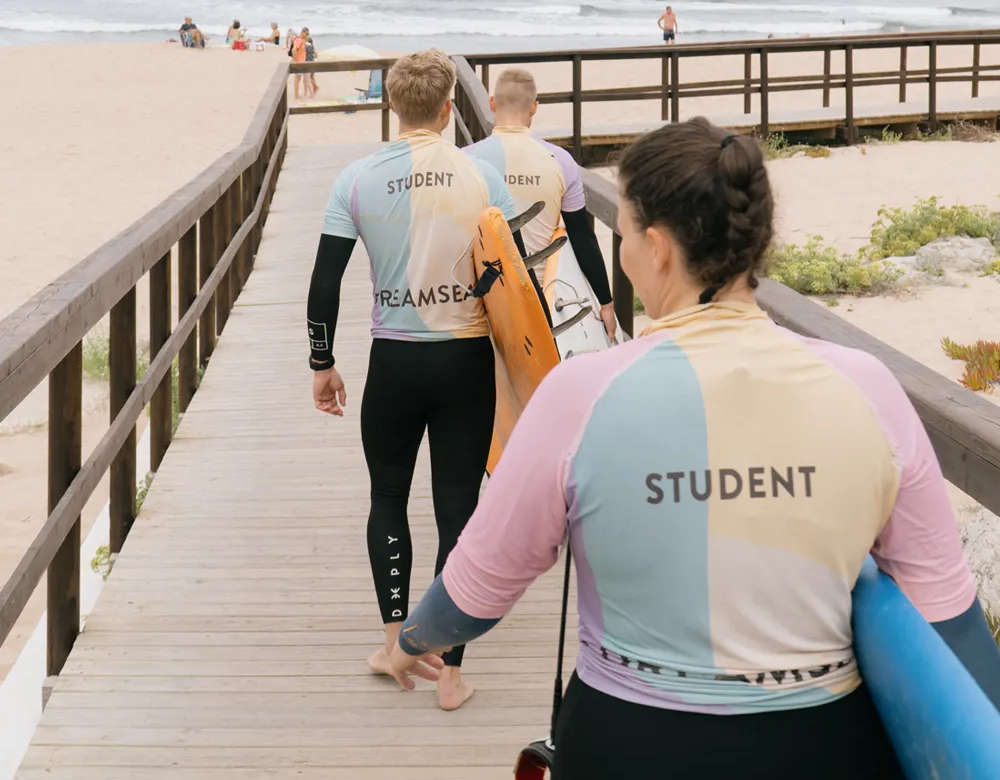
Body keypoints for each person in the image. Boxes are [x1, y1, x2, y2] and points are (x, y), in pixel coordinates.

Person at [384, 116, 1000, 773]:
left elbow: (477, 592)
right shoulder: (868, 388)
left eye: (622, 234)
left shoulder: (581, 394)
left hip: (630, 742)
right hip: (825, 744)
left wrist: (413, 639)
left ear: (658, 249)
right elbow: (951, 618)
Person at [307, 48, 536, 713]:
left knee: (387, 497)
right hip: (465, 361)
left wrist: (322, 363)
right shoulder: (481, 175)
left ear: (391, 105)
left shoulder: (355, 178)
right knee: (459, 506)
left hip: (394, 364)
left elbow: (324, 284)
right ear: (445, 109)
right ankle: (451, 668)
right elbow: (514, 279)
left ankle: (392, 643)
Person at [466, 68, 615, 340]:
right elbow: (582, 237)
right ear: (534, 108)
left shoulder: (466, 160)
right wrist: (605, 302)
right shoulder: (560, 161)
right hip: (542, 303)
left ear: (492, 103)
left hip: (480, 303)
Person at [290, 29, 311, 100]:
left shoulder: (300, 40)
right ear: (302, 32)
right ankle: (296, 95)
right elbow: (294, 50)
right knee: (297, 79)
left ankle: (297, 94)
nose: (307, 35)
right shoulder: (299, 40)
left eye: (308, 34)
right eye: (306, 33)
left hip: (300, 62)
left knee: (297, 79)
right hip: (299, 62)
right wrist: (296, 60)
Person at [304, 30, 319, 95]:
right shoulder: (312, 47)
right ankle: (314, 89)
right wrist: (312, 56)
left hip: (308, 63)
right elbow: (316, 55)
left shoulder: (306, 46)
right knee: (312, 77)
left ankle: (315, 87)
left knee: (309, 78)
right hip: (313, 62)